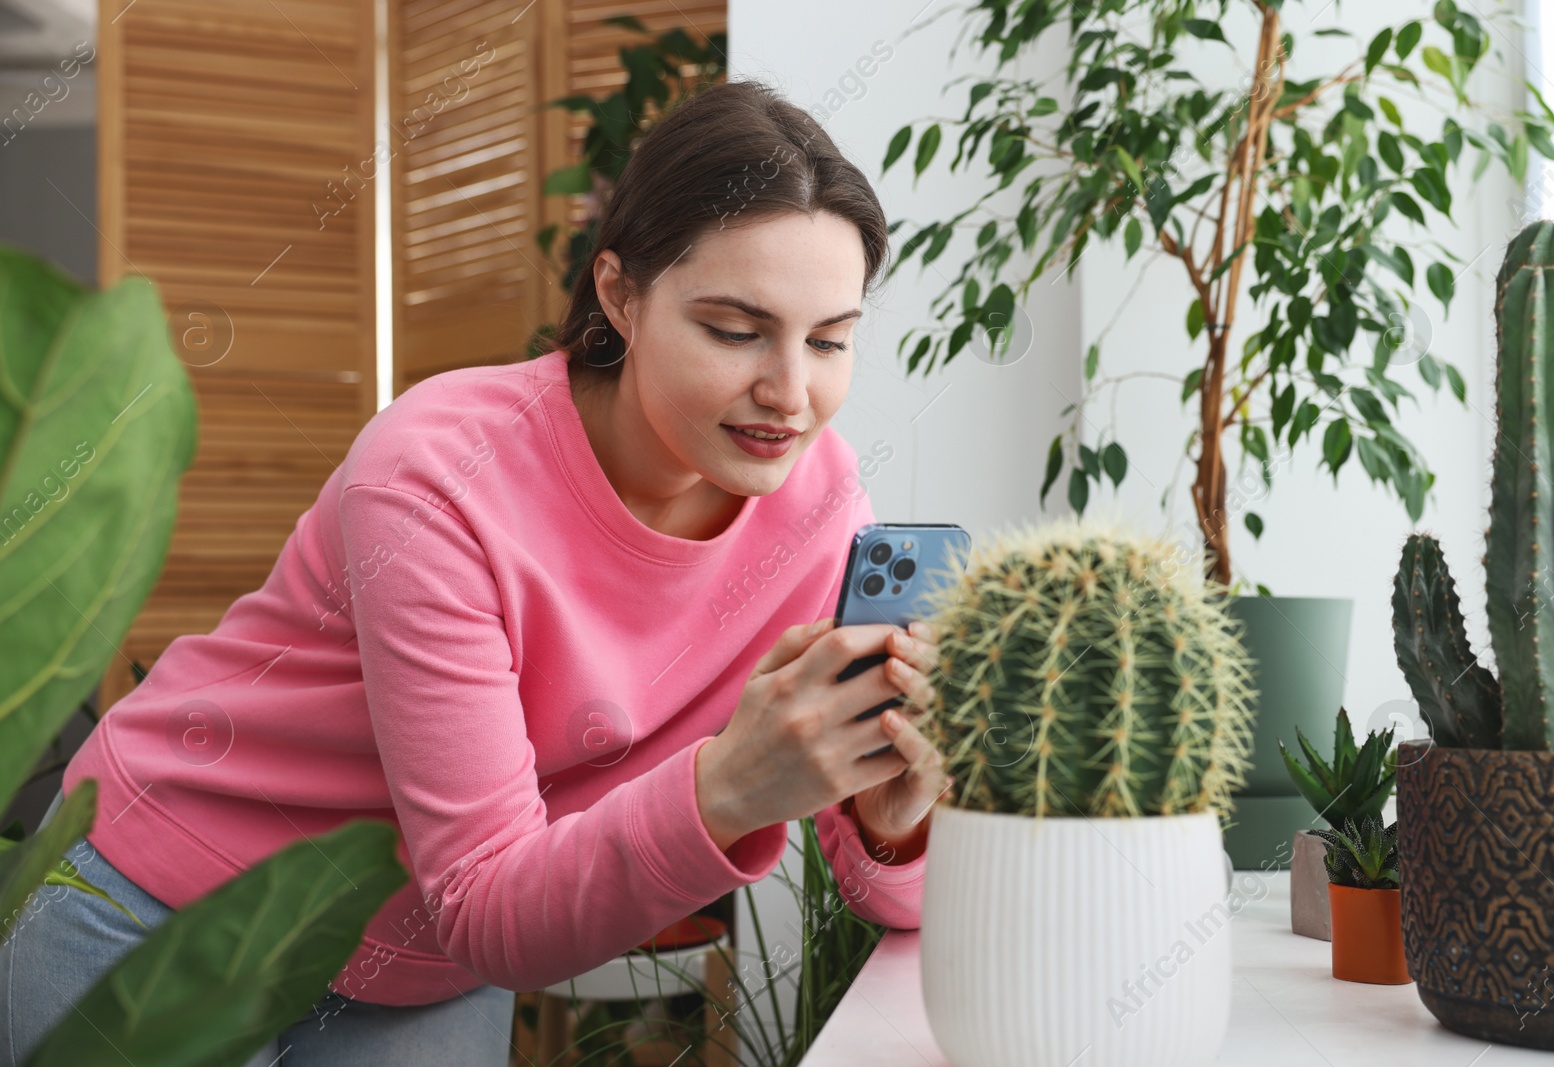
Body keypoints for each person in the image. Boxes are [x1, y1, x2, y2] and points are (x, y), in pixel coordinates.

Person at [0, 77, 949, 1066]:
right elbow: (488, 898)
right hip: (163, 903)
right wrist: (725, 791)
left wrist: (895, 822)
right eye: (734, 329)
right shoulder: (438, 473)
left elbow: (886, 900)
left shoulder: (821, 506)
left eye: (830, 339)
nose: (790, 393)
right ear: (619, 293)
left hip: (418, 962)